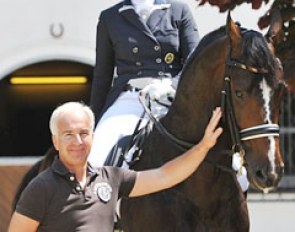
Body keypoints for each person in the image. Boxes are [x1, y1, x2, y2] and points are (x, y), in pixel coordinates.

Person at [8, 101, 222, 232]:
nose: (77, 142)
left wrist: (203, 146)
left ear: (93, 136)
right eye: (68, 135)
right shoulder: (41, 188)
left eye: (83, 133)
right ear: (56, 142)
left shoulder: (111, 179)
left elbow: (165, 176)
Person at [88, 0, 200, 168]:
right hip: (130, 98)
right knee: (95, 158)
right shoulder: (110, 17)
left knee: (229, 163)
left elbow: (195, 61)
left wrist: (172, 85)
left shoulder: (178, 10)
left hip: (174, 98)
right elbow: (102, 77)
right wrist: (91, 122)